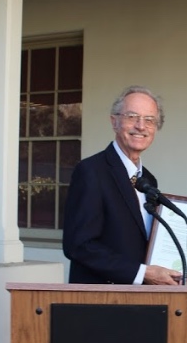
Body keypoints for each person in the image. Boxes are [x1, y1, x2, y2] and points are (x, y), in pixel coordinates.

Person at [63, 85, 181, 285]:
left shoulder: (149, 180)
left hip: (142, 302)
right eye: (132, 117)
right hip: (101, 302)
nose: (141, 126)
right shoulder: (91, 171)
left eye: (149, 120)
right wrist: (142, 273)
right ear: (114, 122)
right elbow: (79, 245)